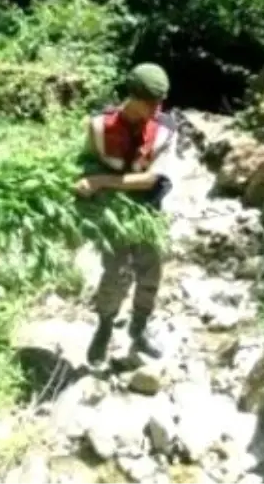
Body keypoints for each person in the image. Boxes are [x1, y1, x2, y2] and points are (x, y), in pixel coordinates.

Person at [74, 62, 178, 365]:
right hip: (114, 212)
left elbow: (152, 178)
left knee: (152, 268)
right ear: (133, 97)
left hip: (149, 207)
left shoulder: (165, 130)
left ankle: (139, 328)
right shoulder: (98, 127)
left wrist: (101, 181)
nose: (157, 108)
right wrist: (86, 185)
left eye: (160, 103)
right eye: (152, 102)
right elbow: (87, 165)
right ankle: (104, 327)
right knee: (114, 271)